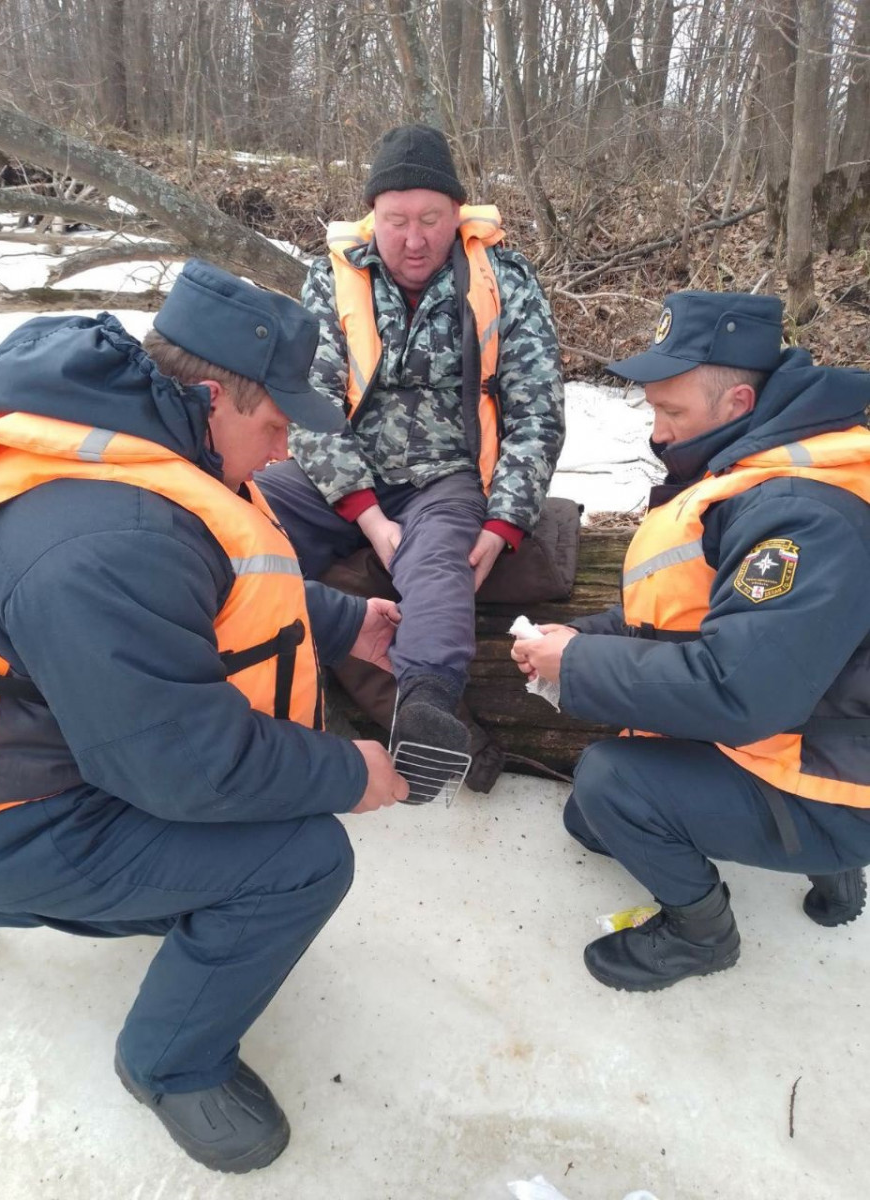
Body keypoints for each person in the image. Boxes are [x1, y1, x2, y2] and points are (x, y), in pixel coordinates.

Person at [0, 259, 410, 1173]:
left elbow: (199, 587)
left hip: (14, 751)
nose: (287, 450)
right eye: (278, 424)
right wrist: (350, 772)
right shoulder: (104, 537)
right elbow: (177, 765)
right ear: (214, 397)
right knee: (300, 860)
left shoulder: (124, 444)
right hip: (18, 814)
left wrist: (345, 623)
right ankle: (169, 1063)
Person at [510, 290, 870, 992]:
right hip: (818, 730)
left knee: (610, 783)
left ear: (737, 402)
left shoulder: (802, 514)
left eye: (671, 412)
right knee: (592, 820)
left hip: (832, 771)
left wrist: (578, 664)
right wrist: (576, 636)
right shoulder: (759, 469)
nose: (657, 430)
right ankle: (827, 858)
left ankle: (702, 936)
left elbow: (743, 692)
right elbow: (685, 617)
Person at [257, 124, 565, 768]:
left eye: (431, 218)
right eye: (397, 220)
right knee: (246, 512)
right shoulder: (331, 277)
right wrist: (366, 515)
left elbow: (537, 411)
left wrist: (506, 519)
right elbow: (306, 404)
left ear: (458, 214)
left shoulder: (504, 279)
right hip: (338, 472)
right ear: (373, 216)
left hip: (447, 476)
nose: (415, 238)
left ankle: (426, 703)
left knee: (435, 567)